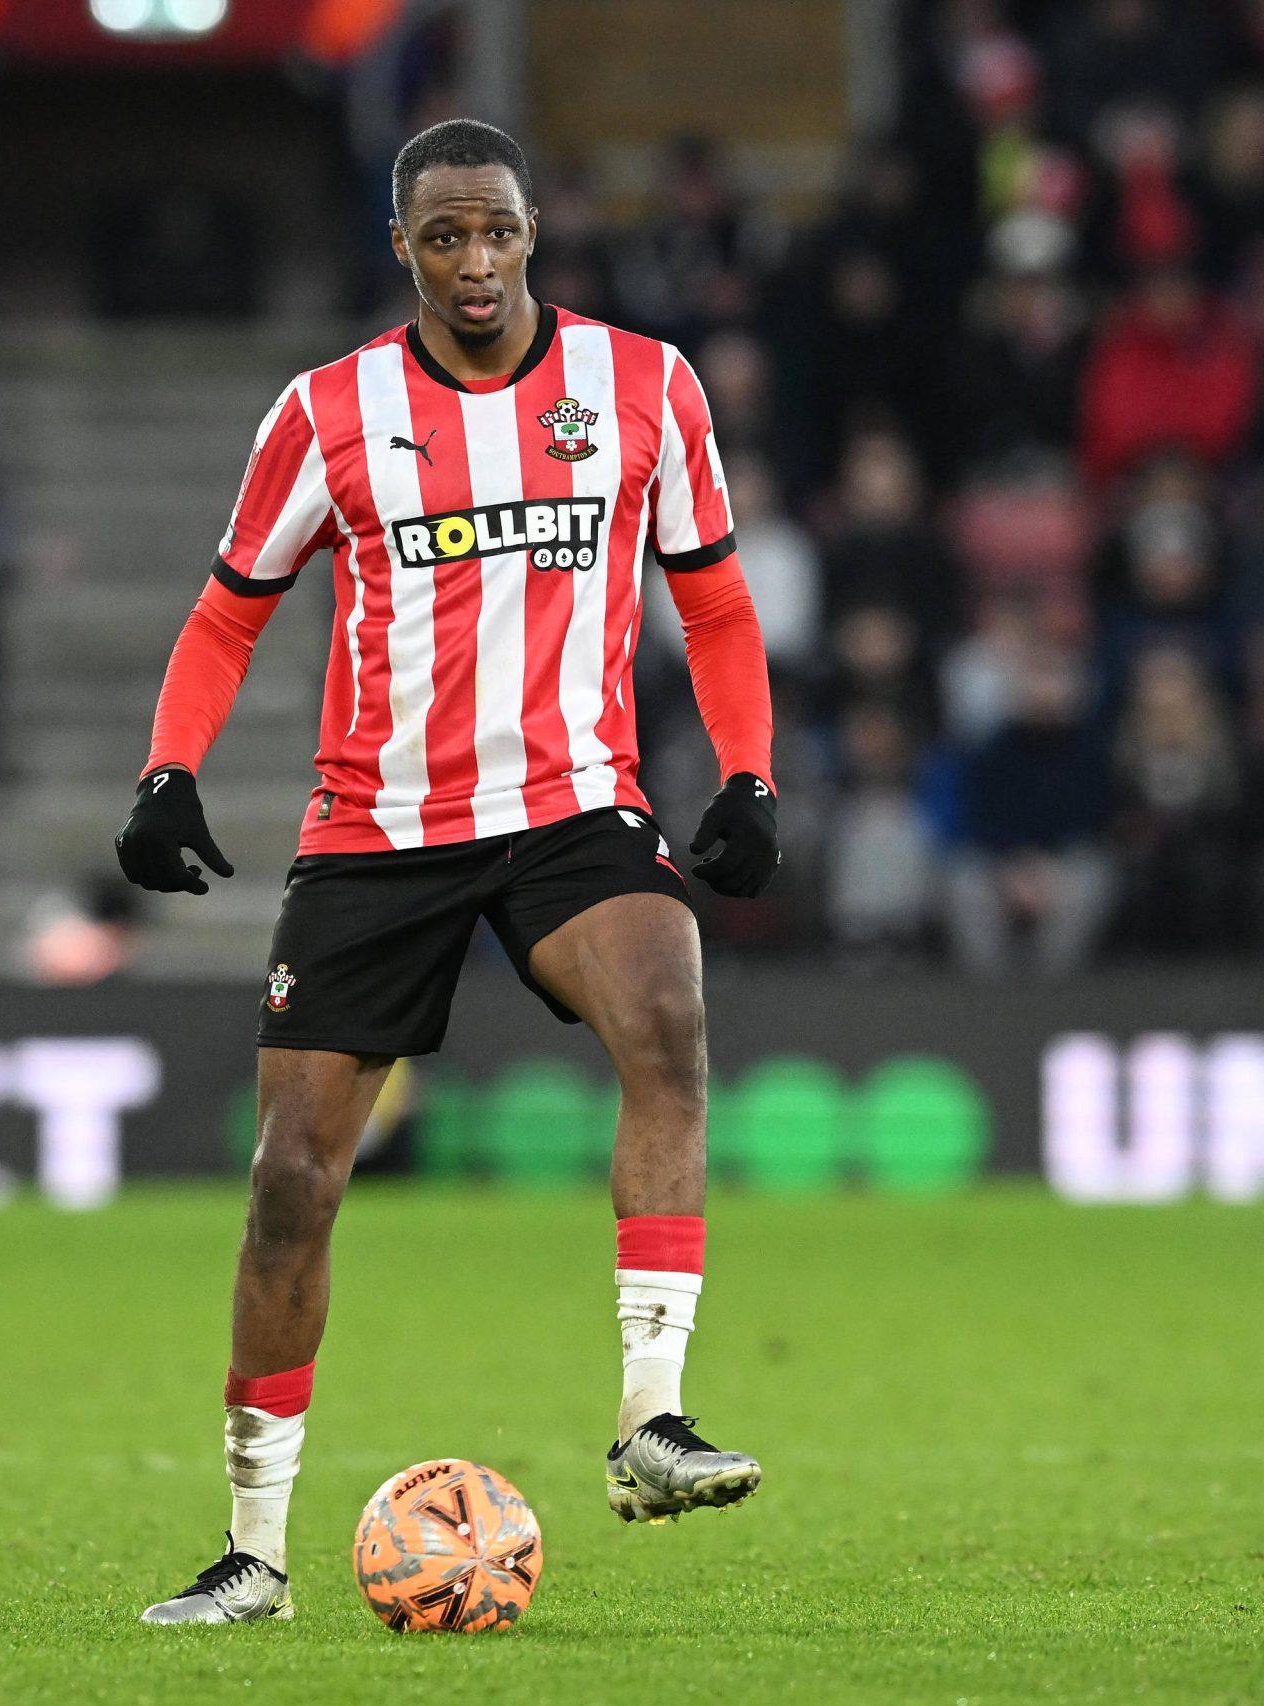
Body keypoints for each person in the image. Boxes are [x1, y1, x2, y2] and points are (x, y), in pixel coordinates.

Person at [115, 119, 780, 1626]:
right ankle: (253, 1551)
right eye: (443, 239)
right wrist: (168, 768)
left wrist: (748, 770)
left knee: (668, 1023)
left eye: (497, 233)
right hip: (378, 826)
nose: (475, 264)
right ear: (401, 250)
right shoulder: (327, 410)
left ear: (534, 231)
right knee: (292, 1182)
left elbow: (720, 602)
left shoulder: (645, 388)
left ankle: (649, 1421)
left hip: (571, 802)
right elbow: (230, 611)